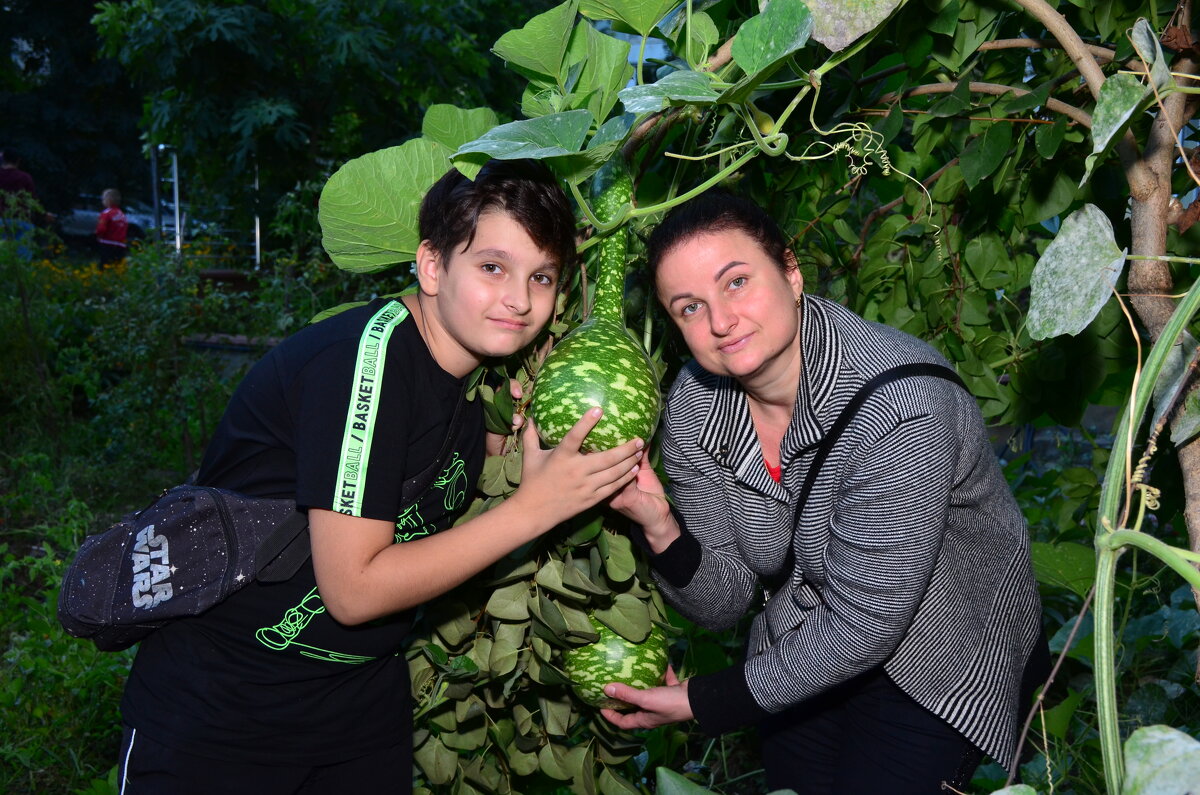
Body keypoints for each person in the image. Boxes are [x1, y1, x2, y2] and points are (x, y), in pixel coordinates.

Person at [116, 158, 646, 794]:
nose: (519, 298)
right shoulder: (361, 365)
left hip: (355, 713)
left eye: (543, 276)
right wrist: (534, 508)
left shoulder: (470, 380)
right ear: (430, 265)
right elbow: (353, 590)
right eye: (492, 267)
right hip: (222, 716)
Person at [606, 190, 1049, 794]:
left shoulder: (904, 401)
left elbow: (869, 620)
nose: (720, 322)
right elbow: (726, 599)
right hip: (797, 640)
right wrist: (659, 527)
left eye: (736, 282)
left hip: (939, 648)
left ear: (790, 271)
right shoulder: (691, 408)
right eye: (689, 307)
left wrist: (700, 700)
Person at [95, 188, 129, 265]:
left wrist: (98, 235)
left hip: (107, 243)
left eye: (103, 199)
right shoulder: (121, 214)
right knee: (117, 265)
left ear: (108, 200)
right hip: (120, 244)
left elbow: (101, 228)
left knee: (105, 264)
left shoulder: (106, 213)